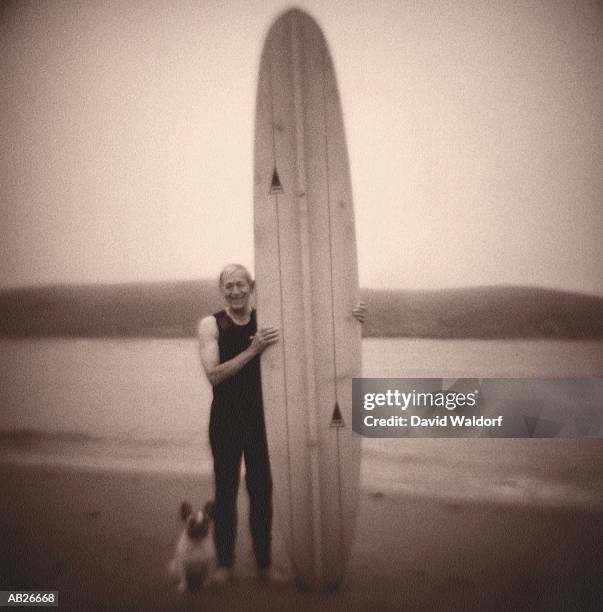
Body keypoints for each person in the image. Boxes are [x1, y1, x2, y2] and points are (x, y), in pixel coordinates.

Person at [198, 263, 365, 584]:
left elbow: (316, 333)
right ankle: (224, 564)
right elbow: (214, 374)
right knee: (225, 491)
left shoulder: (267, 322)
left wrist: (351, 317)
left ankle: (263, 564)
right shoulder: (211, 325)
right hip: (225, 421)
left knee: (262, 491)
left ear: (252, 286)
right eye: (228, 286)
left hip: (264, 420)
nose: (234, 291)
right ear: (222, 290)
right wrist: (254, 348)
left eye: (240, 285)